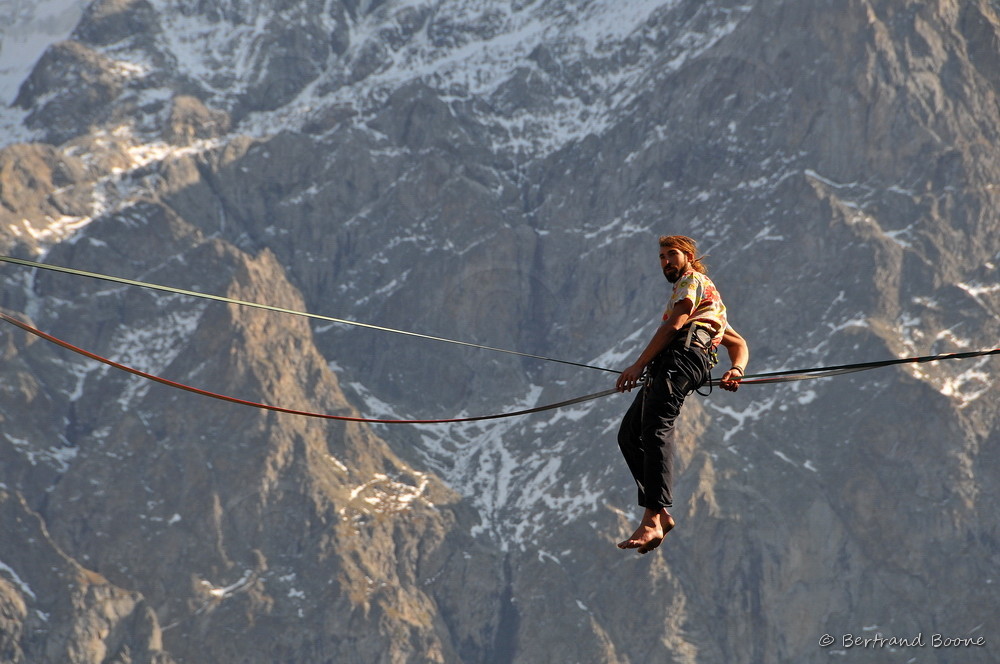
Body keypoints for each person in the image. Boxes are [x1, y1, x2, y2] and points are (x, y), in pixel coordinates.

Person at [614, 235, 749, 554]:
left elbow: (676, 323)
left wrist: (637, 365)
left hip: (682, 357)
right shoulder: (710, 299)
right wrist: (737, 369)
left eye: (671, 254)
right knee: (629, 434)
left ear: (688, 256)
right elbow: (737, 342)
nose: (665, 262)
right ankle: (661, 514)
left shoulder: (692, 281)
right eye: (661, 257)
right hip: (675, 361)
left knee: (655, 429)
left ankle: (652, 519)